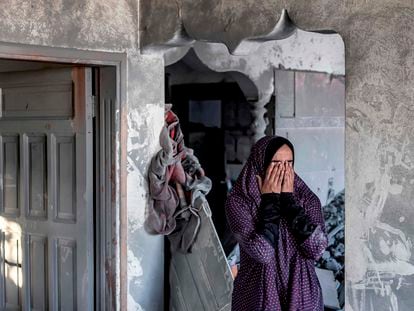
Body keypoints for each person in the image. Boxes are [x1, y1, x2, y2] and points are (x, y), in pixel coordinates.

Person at [225, 135, 328, 311]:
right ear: (260, 163)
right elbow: (262, 252)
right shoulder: (239, 202)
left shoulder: (307, 200)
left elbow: (317, 249)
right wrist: (270, 200)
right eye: (275, 164)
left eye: (288, 163)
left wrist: (289, 202)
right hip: (257, 295)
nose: (282, 170)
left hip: (302, 295)